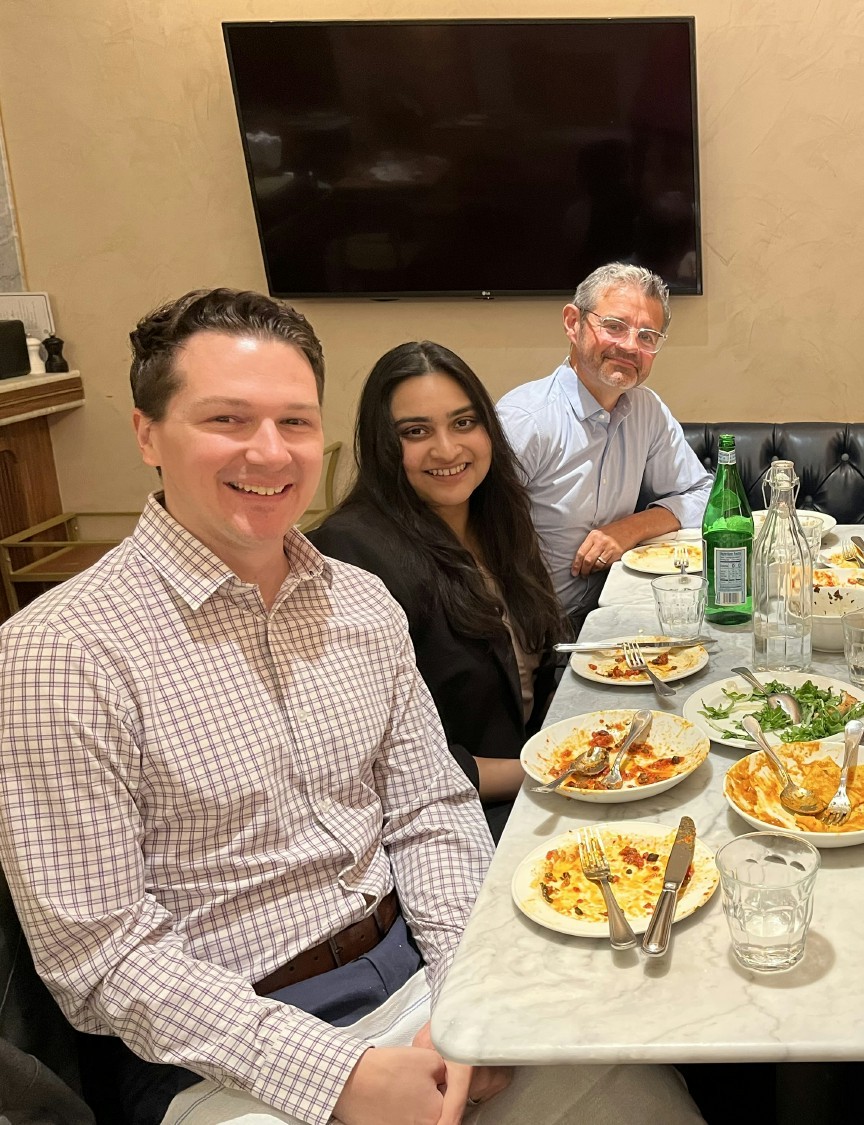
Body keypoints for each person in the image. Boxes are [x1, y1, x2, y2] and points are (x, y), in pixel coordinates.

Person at [0, 289, 703, 1125]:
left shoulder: (361, 604)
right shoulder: (61, 649)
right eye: (228, 419)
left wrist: (462, 1000)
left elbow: (430, 810)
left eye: (294, 422)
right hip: (222, 1059)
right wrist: (337, 1074)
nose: (270, 452)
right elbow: (99, 954)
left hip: (422, 983)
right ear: (148, 432)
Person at [311, 341, 567, 842]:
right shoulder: (350, 551)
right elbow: (381, 758)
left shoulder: (497, 516)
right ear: (383, 444)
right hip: (450, 820)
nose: (447, 449)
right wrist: (552, 772)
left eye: (464, 423)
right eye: (415, 432)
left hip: (534, 772)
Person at [498, 262, 711, 630]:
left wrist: (630, 528)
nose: (630, 346)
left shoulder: (647, 410)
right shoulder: (526, 421)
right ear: (572, 322)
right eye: (614, 327)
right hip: (530, 627)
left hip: (615, 610)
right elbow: (470, 535)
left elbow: (702, 491)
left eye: (647, 336)